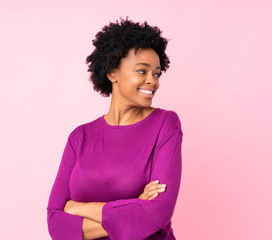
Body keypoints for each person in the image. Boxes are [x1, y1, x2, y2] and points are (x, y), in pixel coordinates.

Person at [46, 17, 183, 240]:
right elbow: (56, 224)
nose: (153, 81)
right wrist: (135, 208)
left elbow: (159, 212)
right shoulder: (80, 137)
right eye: (142, 71)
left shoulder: (165, 124)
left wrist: (77, 208)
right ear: (112, 73)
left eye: (157, 74)